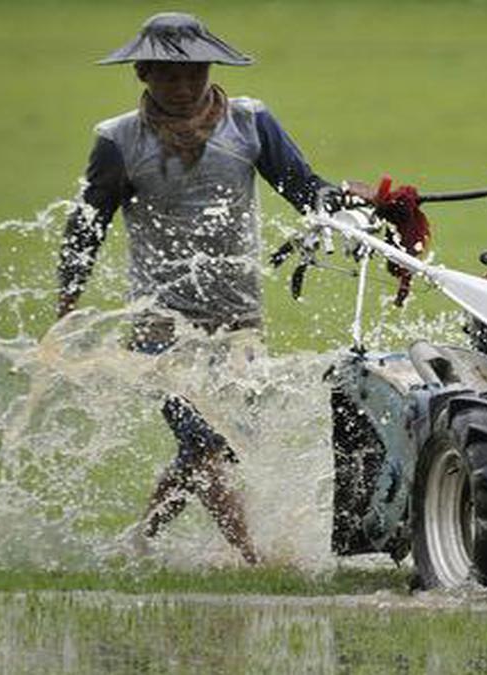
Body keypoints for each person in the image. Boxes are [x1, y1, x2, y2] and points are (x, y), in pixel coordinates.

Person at [57, 12, 338, 563]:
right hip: (162, 322)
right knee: (207, 440)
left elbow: (305, 190)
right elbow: (87, 223)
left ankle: (140, 542)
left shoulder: (251, 124)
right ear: (142, 74)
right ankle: (253, 558)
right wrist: (67, 299)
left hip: (239, 321)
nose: (183, 87)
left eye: (193, 74)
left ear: (210, 70)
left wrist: (349, 205)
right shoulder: (117, 141)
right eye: (167, 75)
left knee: (212, 445)